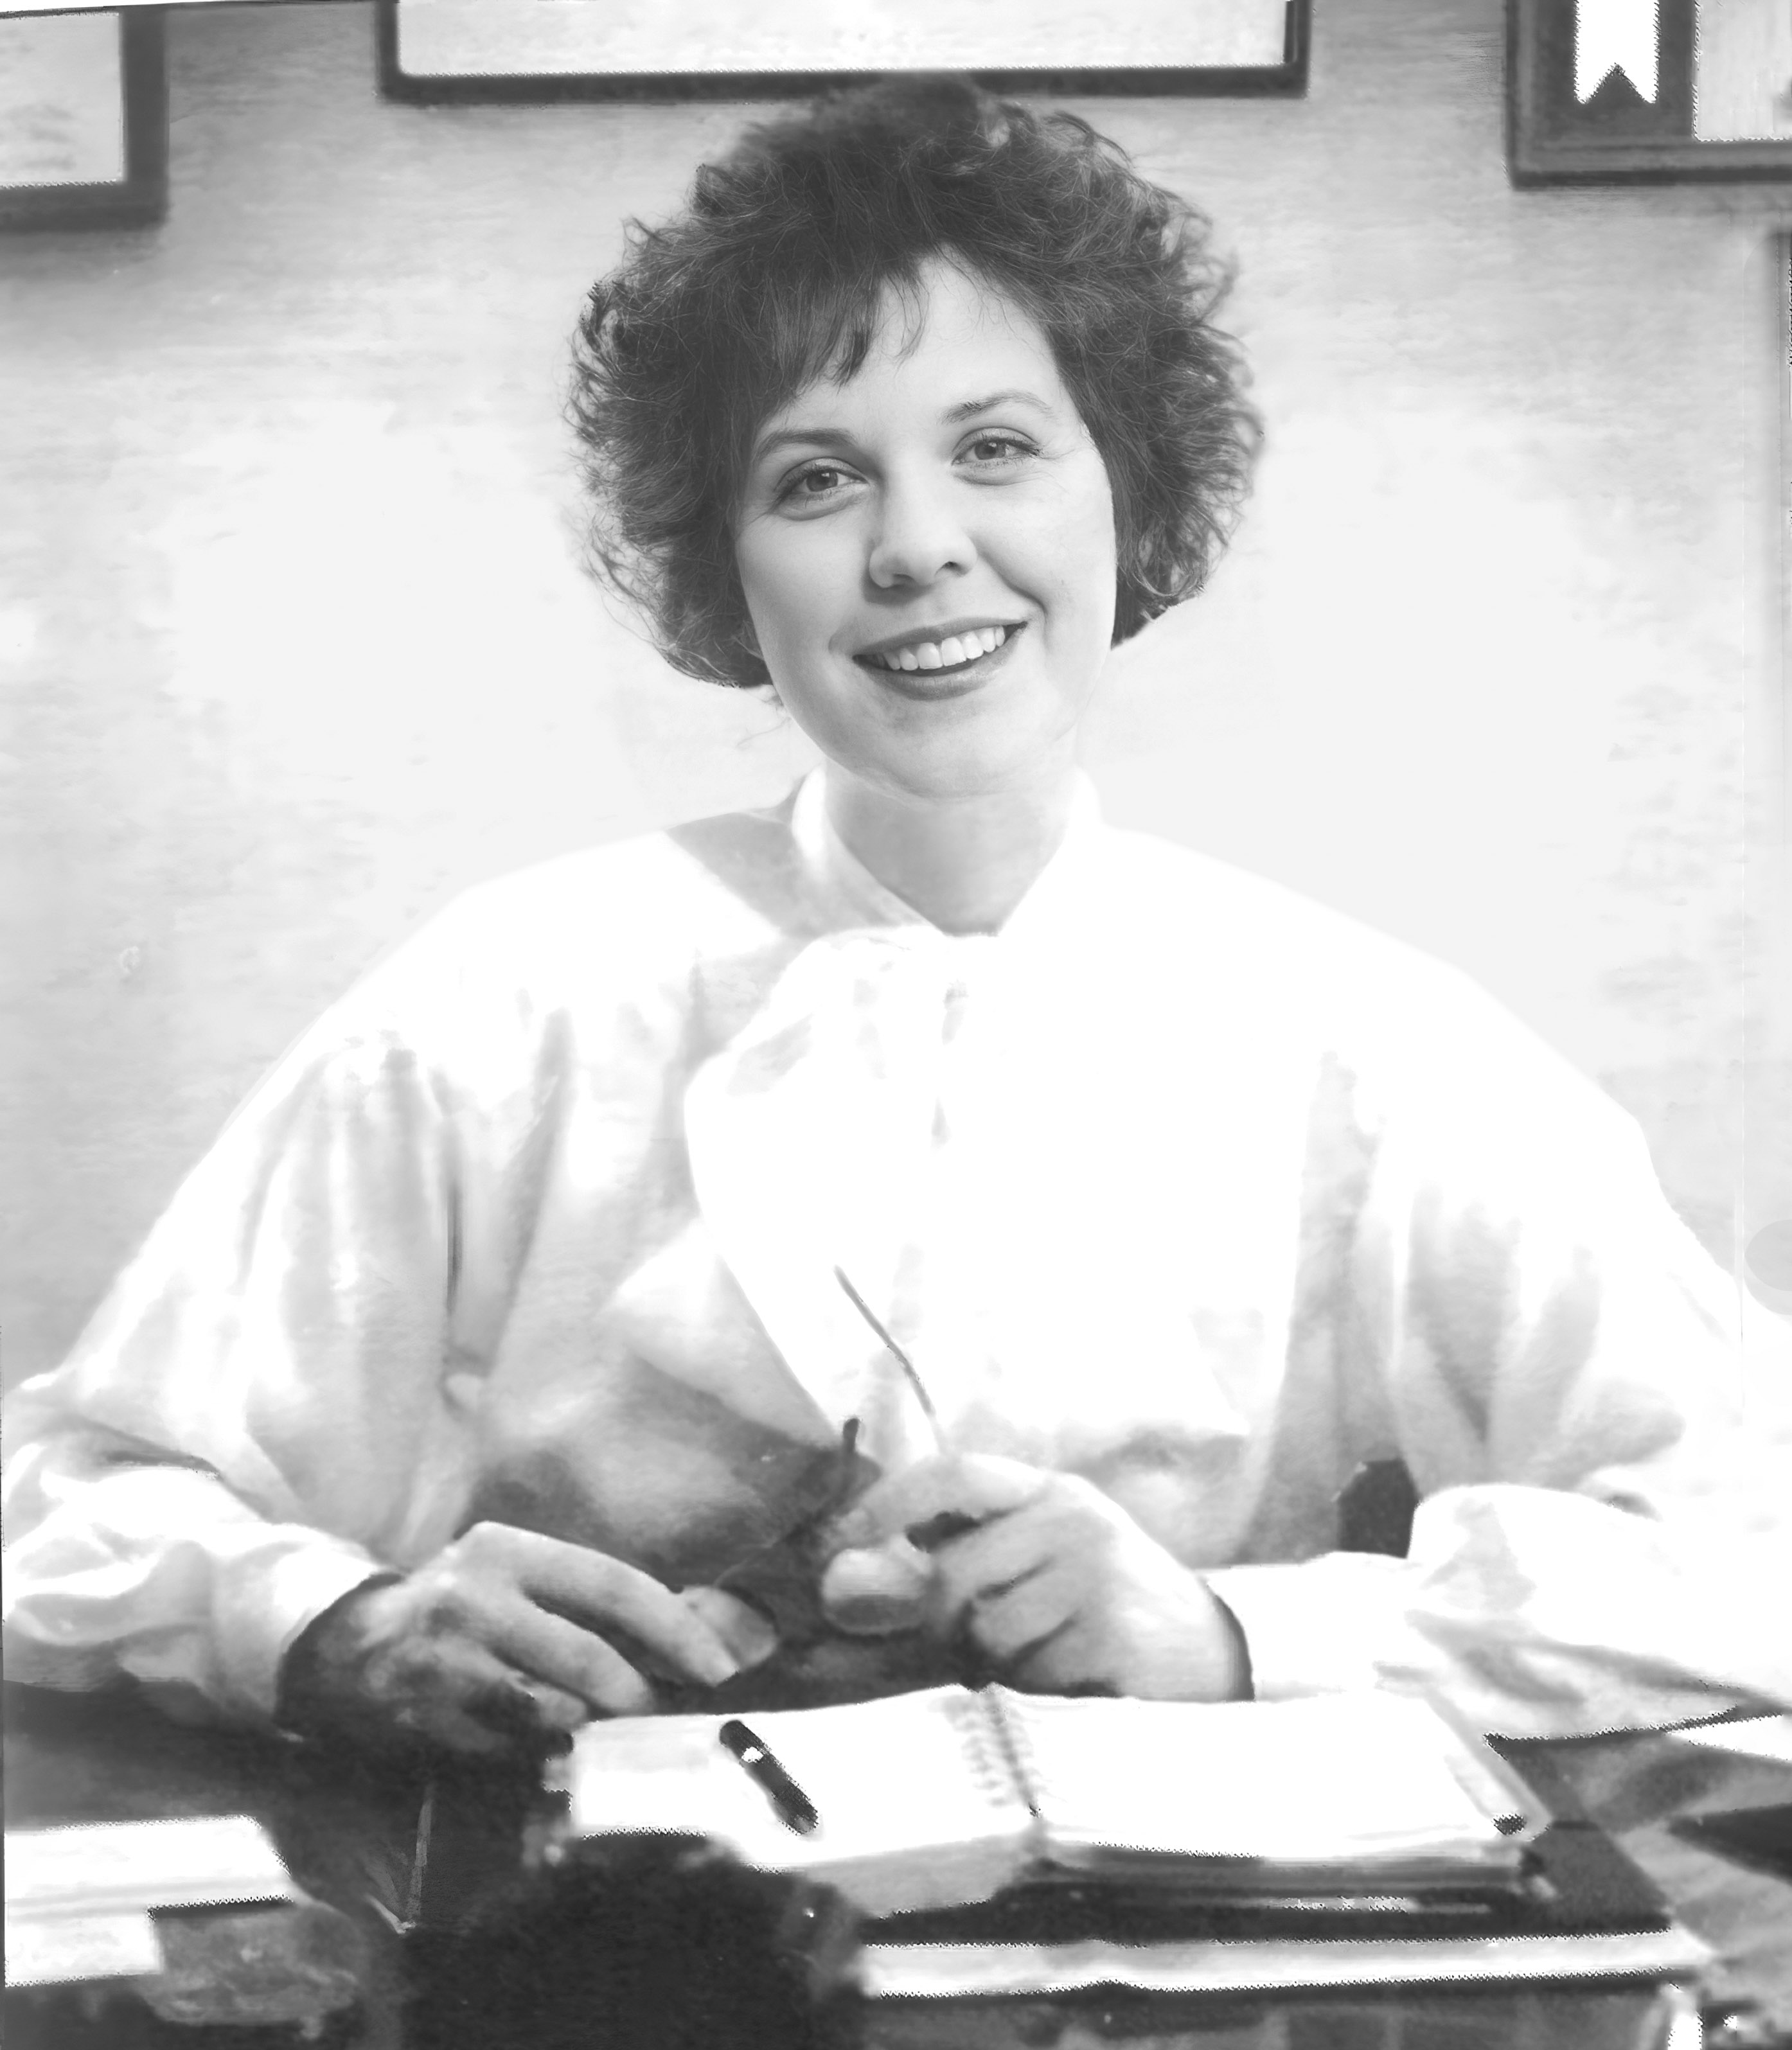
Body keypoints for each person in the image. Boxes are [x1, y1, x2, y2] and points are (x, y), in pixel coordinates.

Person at [4, 80, 1788, 1762]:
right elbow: (68, 1505)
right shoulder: (502, 1009)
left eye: (998, 447)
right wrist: (329, 1625)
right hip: (616, 1980)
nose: (920, 546)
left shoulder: (1371, 1043)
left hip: (1193, 2010)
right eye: (816, 478)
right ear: (727, 573)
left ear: (1129, 496)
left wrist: (1241, 1637)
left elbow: (1752, 1542)